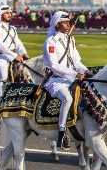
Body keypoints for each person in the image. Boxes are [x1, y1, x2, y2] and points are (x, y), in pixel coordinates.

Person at [43, 11, 92, 150]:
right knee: (68, 99)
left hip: (71, 78)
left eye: (68, 22)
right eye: (65, 22)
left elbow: (76, 61)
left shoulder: (70, 40)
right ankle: (61, 132)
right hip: (56, 81)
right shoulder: (50, 42)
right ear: (57, 24)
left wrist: (86, 71)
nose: (68, 24)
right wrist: (75, 74)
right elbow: (54, 66)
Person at [0, 5, 30, 97]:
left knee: (27, 73)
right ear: (1, 15)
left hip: (13, 56)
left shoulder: (12, 29)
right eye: (6, 13)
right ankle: (0, 98)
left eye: (10, 13)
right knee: (3, 75)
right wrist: (14, 56)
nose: (9, 15)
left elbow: (18, 43)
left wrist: (24, 53)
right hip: (0, 56)